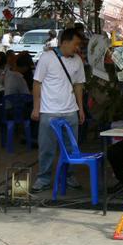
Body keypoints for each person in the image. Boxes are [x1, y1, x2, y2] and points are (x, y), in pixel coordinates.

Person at [30, 29, 86, 192]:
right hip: (49, 111)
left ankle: (69, 176)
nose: (77, 48)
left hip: (71, 111)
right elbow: (37, 83)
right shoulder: (47, 57)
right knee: (47, 148)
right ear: (65, 42)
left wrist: (81, 109)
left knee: (71, 148)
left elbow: (79, 86)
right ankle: (43, 178)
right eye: (75, 44)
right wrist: (36, 108)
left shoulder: (78, 61)